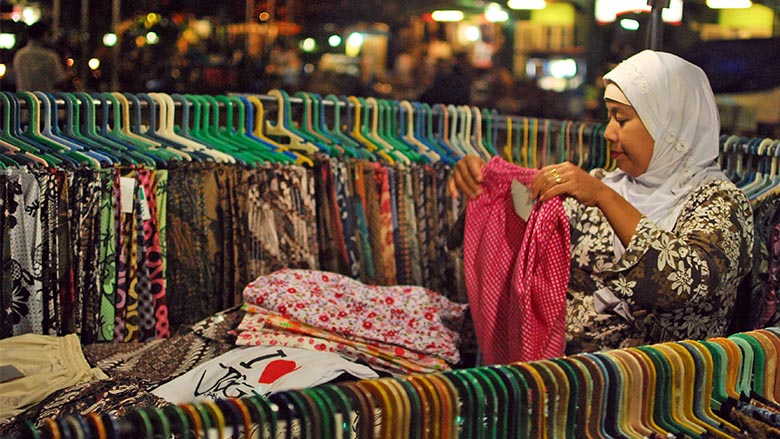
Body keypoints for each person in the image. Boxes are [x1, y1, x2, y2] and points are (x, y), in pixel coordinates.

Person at [451, 50, 754, 354]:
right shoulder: (597, 184)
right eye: (609, 117)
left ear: (669, 124)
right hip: (565, 383)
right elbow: (514, 233)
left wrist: (604, 198)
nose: (608, 133)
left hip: (657, 391)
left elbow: (684, 284)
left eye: (622, 119)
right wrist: (484, 184)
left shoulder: (721, 205)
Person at [12, 20, 70, 92]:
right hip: (45, 100)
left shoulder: (19, 55)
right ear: (44, 34)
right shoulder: (50, 56)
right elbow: (60, 81)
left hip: (24, 99)